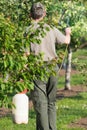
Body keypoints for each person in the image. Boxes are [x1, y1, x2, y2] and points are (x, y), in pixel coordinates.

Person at [25, 2, 71, 130]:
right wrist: (67, 32)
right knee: (51, 102)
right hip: (52, 67)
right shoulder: (51, 28)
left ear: (30, 15)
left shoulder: (27, 31)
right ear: (44, 14)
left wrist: (23, 74)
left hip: (37, 69)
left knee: (41, 103)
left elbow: (26, 54)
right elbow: (66, 41)